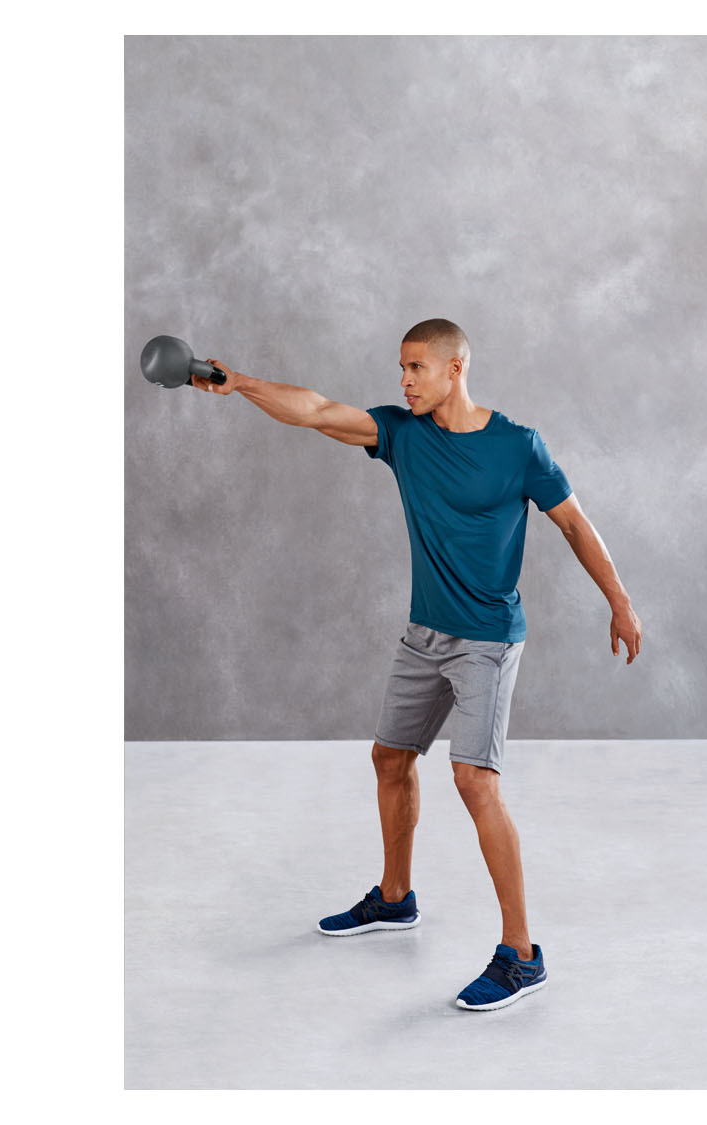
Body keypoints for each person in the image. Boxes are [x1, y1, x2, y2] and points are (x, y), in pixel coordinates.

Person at [192, 318, 642, 1011]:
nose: (403, 381)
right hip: (424, 633)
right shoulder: (403, 435)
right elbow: (316, 411)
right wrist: (240, 383)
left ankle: (522, 955)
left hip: (487, 638)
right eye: (401, 369)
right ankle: (395, 897)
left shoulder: (518, 446)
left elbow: (575, 524)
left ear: (454, 368)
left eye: (415, 368)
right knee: (390, 758)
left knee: (474, 780)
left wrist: (620, 601)